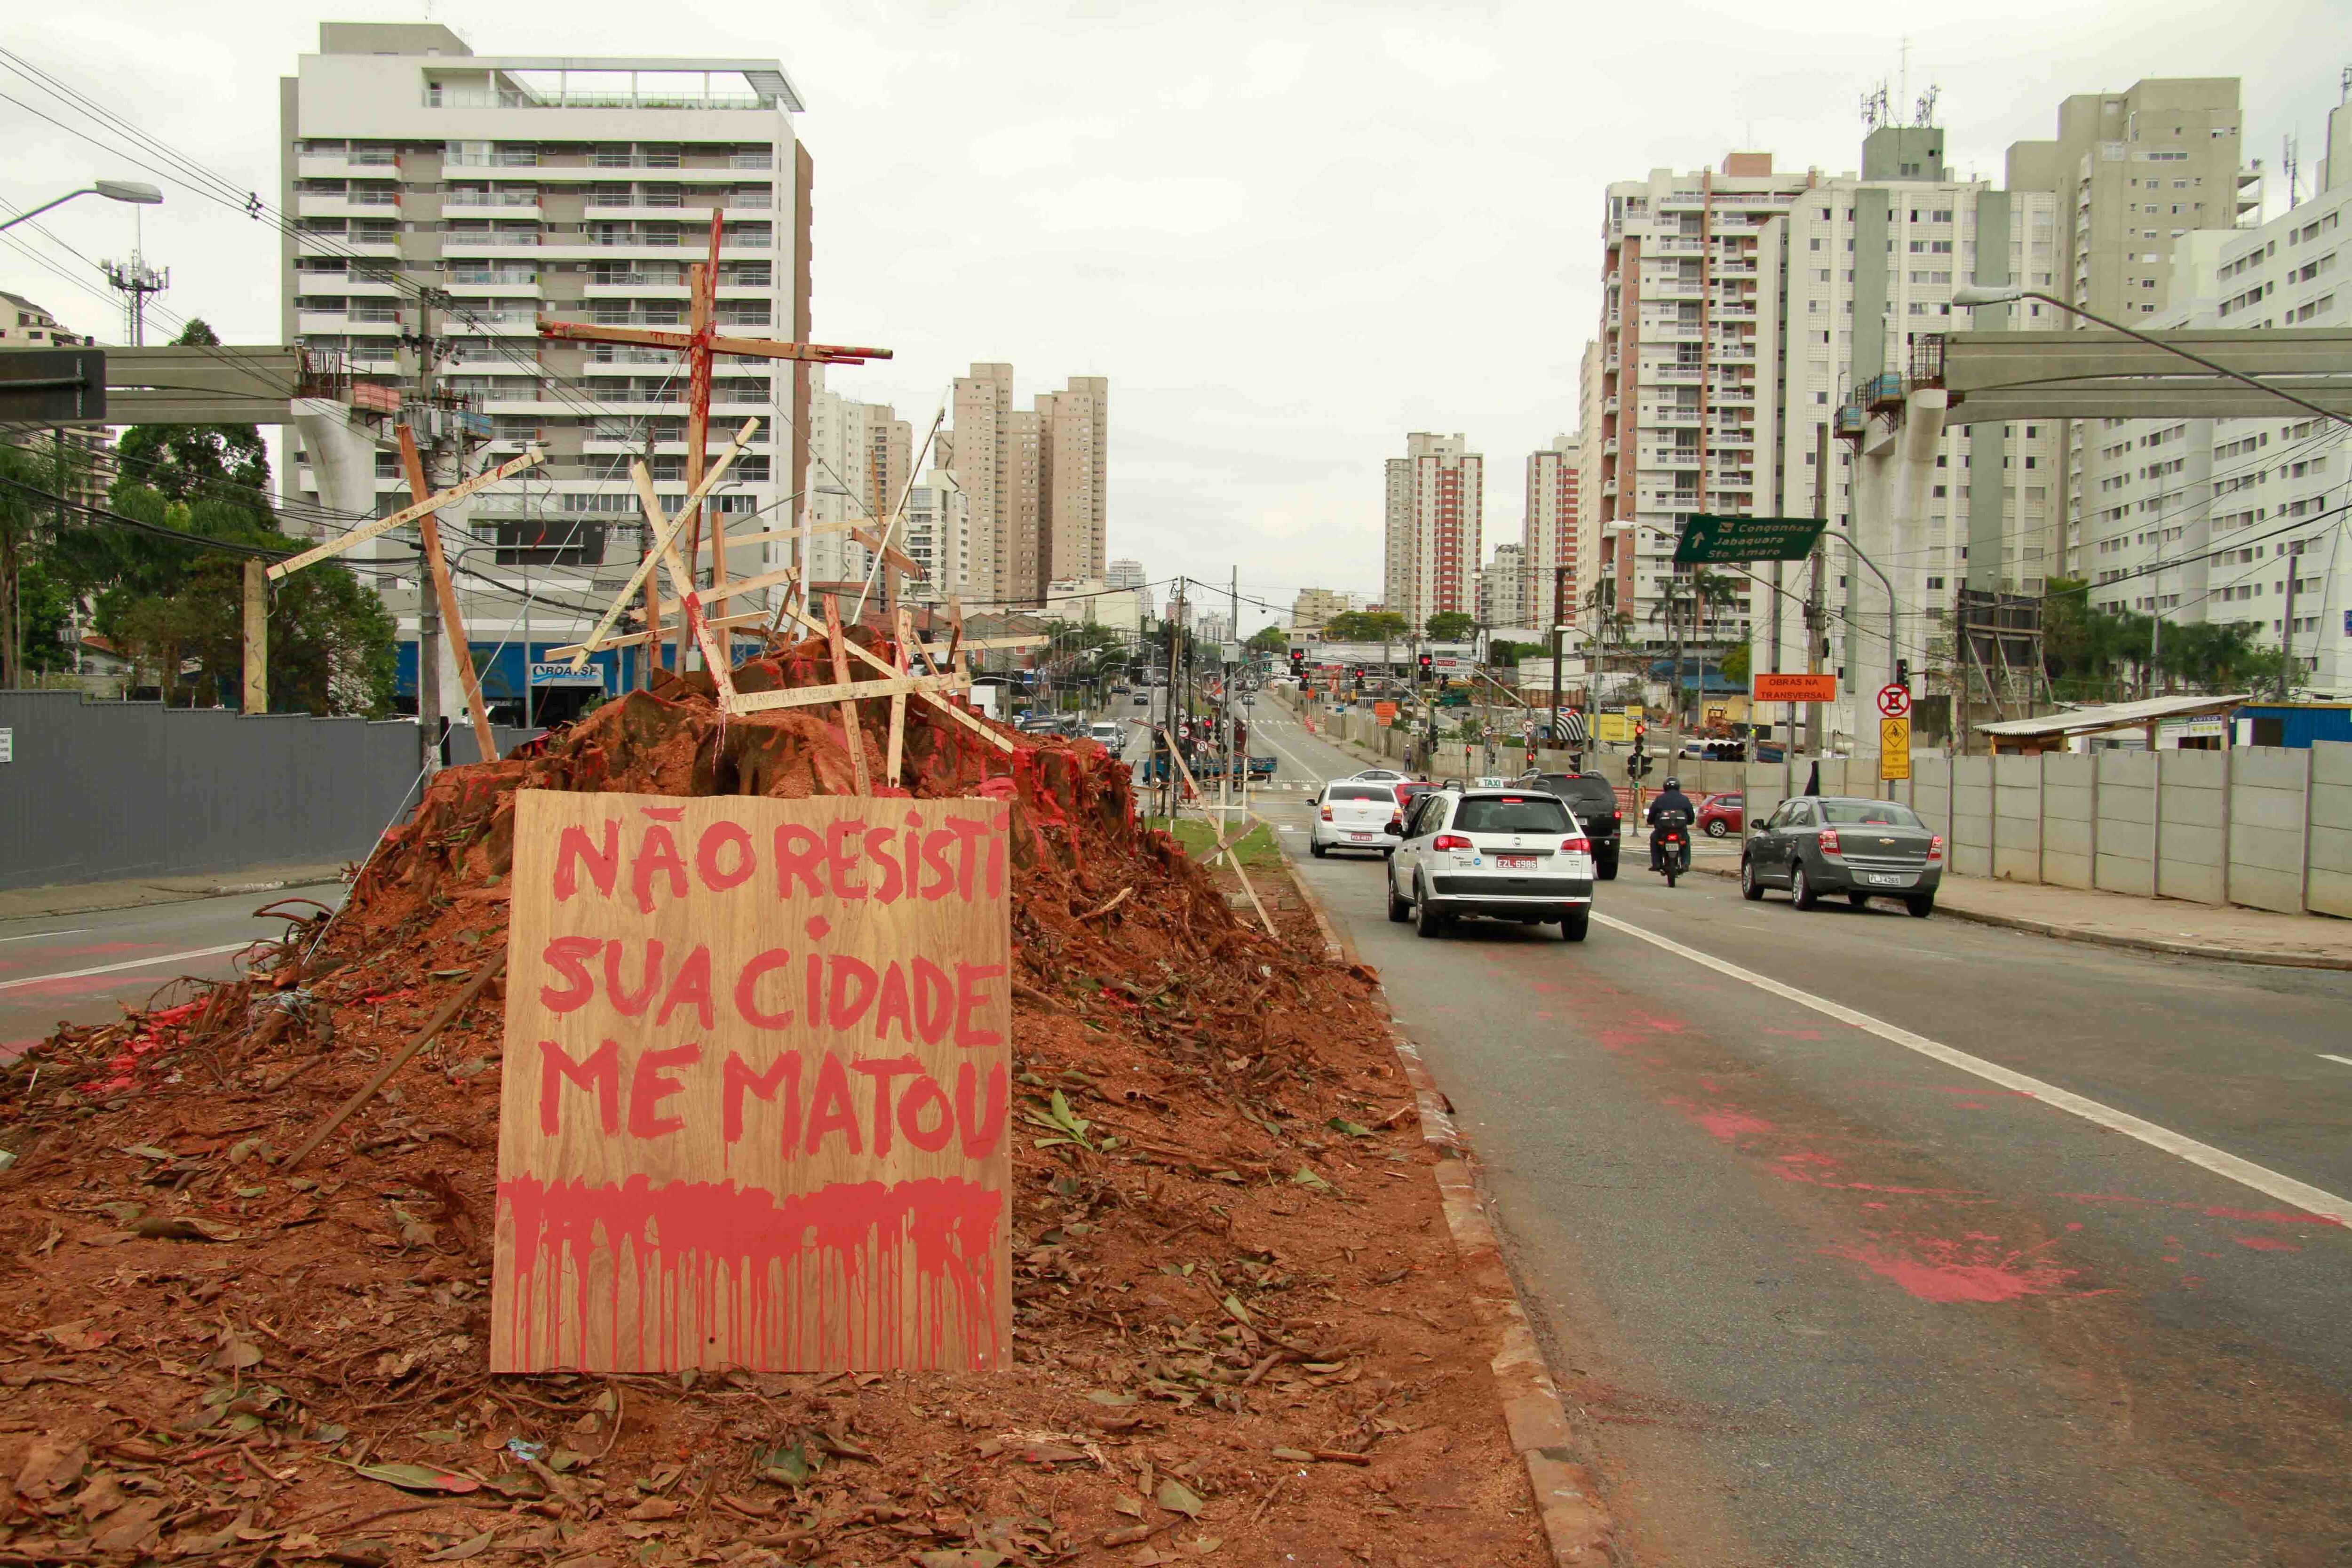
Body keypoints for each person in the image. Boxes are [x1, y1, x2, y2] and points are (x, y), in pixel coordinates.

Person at [1646, 775, 1696, 871]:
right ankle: (1685, 863)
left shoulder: (1660, 799)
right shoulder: (1684, 799)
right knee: (1686, 841)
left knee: (1654, 839)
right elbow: (1691, 816)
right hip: (1680, 831)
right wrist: (1689, 822)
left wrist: (1650, 821)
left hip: (1663, 831)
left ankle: (1657, 863)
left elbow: (1652, 814)